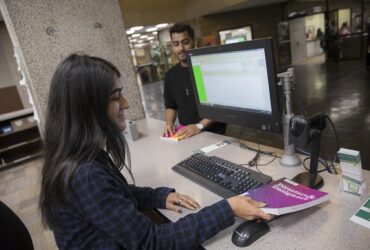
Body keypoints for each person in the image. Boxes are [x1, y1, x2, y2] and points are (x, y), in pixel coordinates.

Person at [39, 53, 271, 249]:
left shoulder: (79, 155)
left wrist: (159, 196)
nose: (126, 104)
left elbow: (116, 194)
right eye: (116, 97)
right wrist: (228, 209)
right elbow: (152, 243)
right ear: (87, 108)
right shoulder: (85, 176)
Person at [163, 23, 226, 139]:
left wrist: (199, 126)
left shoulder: (210, 69)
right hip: (187, 133)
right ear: (172, 46)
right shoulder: (170, 75)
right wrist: (169, 123)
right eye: (176, 44)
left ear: (194, 42)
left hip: (214, 133)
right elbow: (170, 105)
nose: (181, 48)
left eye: (186, 42)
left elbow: (220, 105)